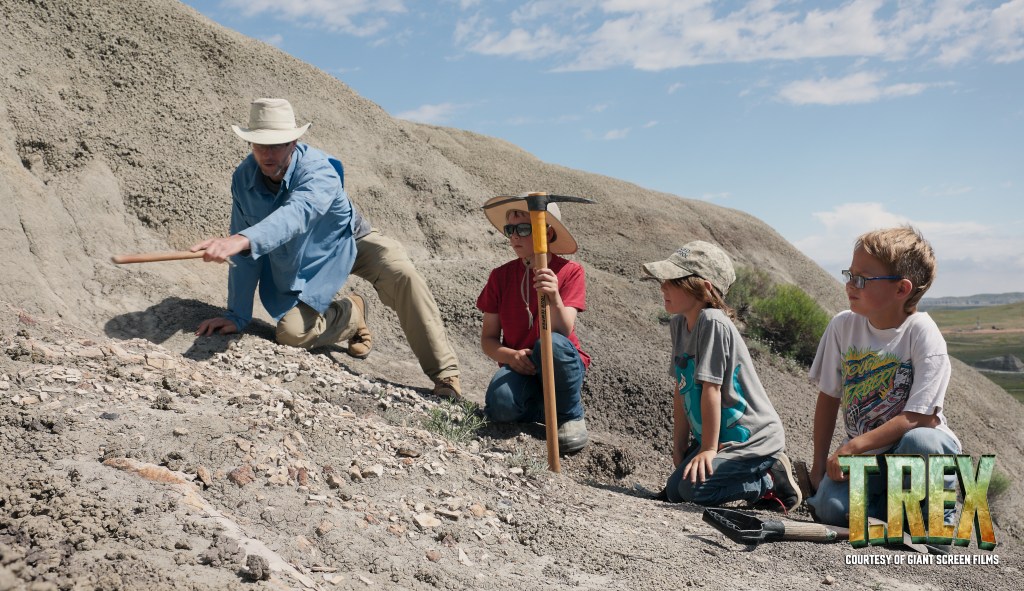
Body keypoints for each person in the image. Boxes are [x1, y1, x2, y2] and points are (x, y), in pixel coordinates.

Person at [193, 98, 461, 399]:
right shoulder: (243, 179)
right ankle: (351, 314)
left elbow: (296, 214)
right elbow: (245, 255)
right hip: (302, 257)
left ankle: (445, 376)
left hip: (348, 240)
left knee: (403, 274)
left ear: (293, 141)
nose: (267, 154)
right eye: (259, 144)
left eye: (277, 144)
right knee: (290, 335)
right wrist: (236, 315)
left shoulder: (319, 169)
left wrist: (242, 240)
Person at [806, 226, 961, 527]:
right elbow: (828, 397)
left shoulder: (922, 333)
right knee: (829, 509)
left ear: (901, 289)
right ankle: (896, 515)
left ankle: (940, 513)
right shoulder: (842, 326)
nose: (850, 285)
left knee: (922, 442)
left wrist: (852, 447)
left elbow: (920, 417)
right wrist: (817, 468)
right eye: (849, 275)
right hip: (871, 454)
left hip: (914, 451)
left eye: (862, 279)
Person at [641, 241, 801, 511]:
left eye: (673, 280)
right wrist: (679, 446)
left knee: (693, 491)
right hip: (721, 440)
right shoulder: (679, 324)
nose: (663, 286)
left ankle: (769, 480)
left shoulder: (713, 321)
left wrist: (707, 450)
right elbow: (681, 389)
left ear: (704, 288)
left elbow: (711, 390)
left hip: (752, 439)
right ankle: (737, 469)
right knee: (674, 491)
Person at [476, 198, 589, 453]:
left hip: (560, 362)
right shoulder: (499, 276)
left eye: (523, 229)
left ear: (546, 233)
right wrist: (511, 356)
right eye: (510, 230)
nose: (514, 236)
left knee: (551, 344)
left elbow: (564, 330)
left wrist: (554, 296)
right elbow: (489, 339)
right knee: (499, 405)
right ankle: (545, 406)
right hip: (521, 368)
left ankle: (570, 414)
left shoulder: (570, 271)